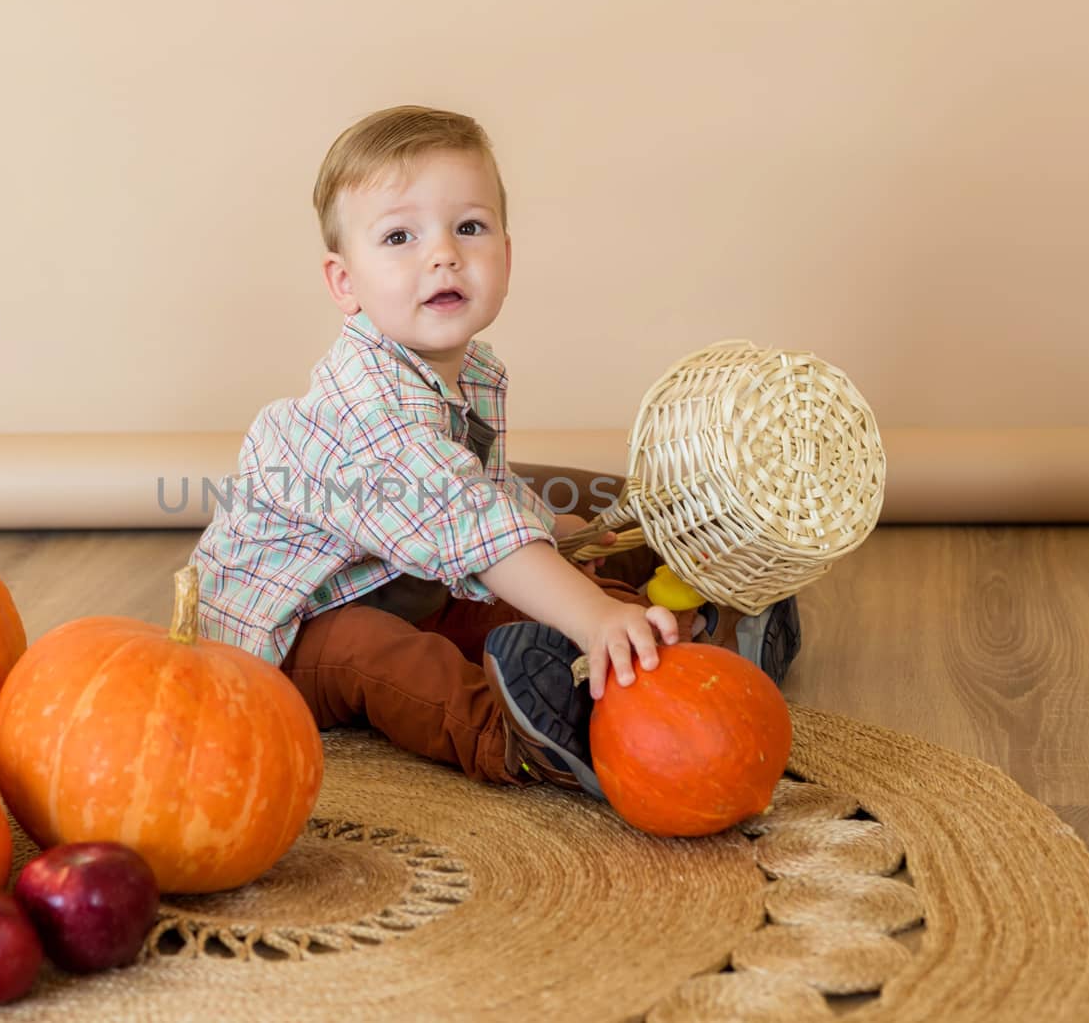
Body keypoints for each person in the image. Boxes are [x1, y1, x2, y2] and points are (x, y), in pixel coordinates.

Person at [188, 105, 798, 797]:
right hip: (293, 632)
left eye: (469, 228)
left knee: (548, 570)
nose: (442, 253)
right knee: (381, 656)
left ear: (505, 256)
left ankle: (681, 634)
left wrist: (568, 554)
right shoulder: (363, 407)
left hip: (408, 577)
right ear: (345, 283)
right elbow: (468, 525)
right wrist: (586, 609)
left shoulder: (472, 373)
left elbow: (491, 494)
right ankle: (518, 738)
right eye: (399, 237)